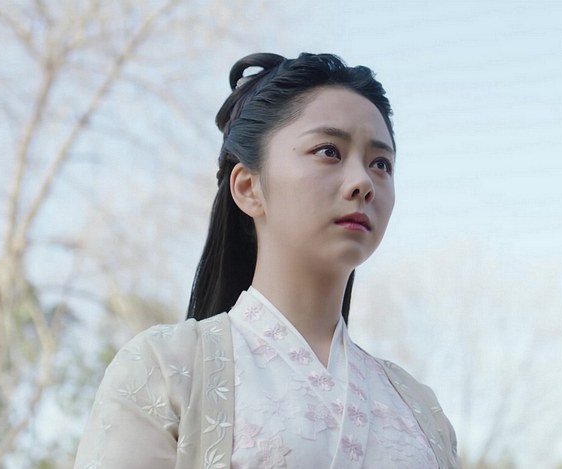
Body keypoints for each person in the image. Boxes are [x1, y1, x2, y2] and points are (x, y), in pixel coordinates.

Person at [74, 52, 458, 468]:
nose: (362, 182)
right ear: (248, 187)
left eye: (380, 164)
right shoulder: (164, 368)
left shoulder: (419, 410)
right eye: (329, 151)